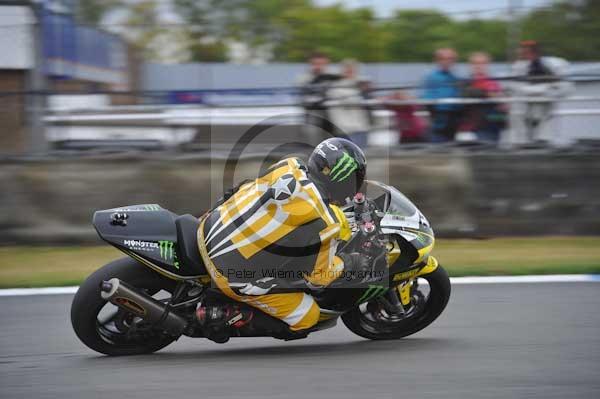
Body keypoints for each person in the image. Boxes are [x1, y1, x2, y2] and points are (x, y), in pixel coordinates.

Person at [196, 138, 373, 343]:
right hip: (228, 273)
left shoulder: (289, 166)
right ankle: (220, 317)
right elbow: (318, 278)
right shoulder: (326, 222)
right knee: (308, 316)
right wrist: (351, 262)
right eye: (355, 178)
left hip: (208, 227)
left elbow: (242, 187)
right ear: (342, 178)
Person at [505, 41, 572, 145]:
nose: (525, 55)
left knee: (544, 141)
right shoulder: (517, 68)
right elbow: (512, 87)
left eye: (528, 51)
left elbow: (565, 89)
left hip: (545, 116)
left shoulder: (551, 66)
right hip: (523, 117)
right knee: (522, 141)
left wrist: (546, 88)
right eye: (523, 52)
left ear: (536, 53)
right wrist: (537, 89)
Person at [458, 52, 507, 142]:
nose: (479, 66)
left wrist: (500, 106)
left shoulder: (494, 83)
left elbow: (502, 107)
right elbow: (466, 93)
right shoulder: (465, 82)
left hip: (490, 130)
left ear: (487, 65)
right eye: (475, 63)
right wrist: (487, 94)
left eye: (482, 63)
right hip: (469, 130)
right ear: (470, 65)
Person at [326, 59, 373, 148]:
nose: (350, 72)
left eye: (352, 70)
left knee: (361, 156)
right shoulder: (335, 86)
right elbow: (351, 101)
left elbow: (369, 102)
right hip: (345, 129)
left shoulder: (360, 84)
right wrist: (362, 90)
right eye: (347, 69)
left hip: (361, 127)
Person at [297, 52, 341, 145]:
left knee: (333, 146)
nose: (318, 67)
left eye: (322, 64)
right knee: (314, 145)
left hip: (333, 117)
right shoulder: (304, 79)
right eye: (315, 64)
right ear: (310, 64)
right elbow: (304, 99)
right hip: (313, 117)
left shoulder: (334, 77)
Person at [422, 48, 463, 142]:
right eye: (443, 59)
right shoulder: (432, 77)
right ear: (437, 61)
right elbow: (426, 98)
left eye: (450, 59)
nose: (446, 62)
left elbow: (459, 101)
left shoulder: (456, 78)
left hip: (453, 123)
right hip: (438, 122)